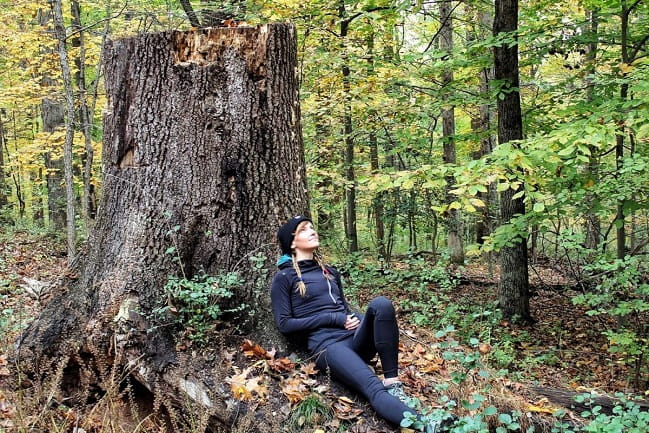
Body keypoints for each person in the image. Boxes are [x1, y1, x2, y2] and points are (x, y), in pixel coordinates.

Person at [270, 216, 451, 432]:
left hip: (353, 337)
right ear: (292, 242)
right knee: (373, 387)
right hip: (328, 346)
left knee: (381, 304)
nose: (312, 231)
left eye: (312, 227)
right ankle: (427, 426)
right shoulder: (285, 278)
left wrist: (358, 320)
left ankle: (393, 381)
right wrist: (334, 319)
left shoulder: (330, 272)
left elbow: (344, 309)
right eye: (303, 230)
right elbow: (285, 324)